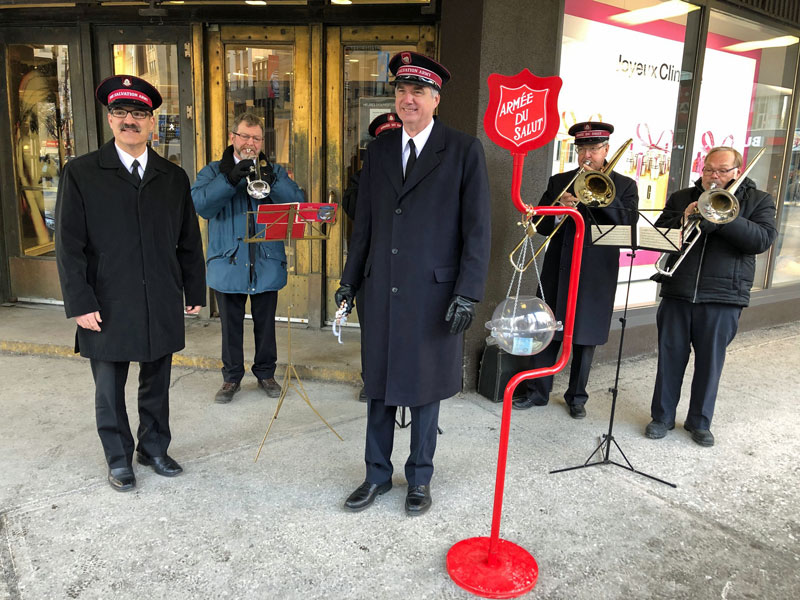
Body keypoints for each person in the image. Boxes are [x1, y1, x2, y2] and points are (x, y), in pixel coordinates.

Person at [335, 52, 491, 516]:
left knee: (424, 390)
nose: (407, 99)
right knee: (379, 387)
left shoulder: (463, 149)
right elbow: (363, 225)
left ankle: (419, 478)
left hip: (434, 293)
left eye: (417, 92)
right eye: (401, 91)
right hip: (380, 290)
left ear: (436, 99)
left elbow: (477, 229)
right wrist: (348, 282)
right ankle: (376, 475)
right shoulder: (379, 150)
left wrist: (469, 290)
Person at [55, 75, 206, 492]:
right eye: (121, 112)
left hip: (158, 295)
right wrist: (79, 302)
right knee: (109, 387)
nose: (129, 121)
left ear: (152, 123)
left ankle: (153, 447)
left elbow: (188, 240)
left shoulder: (171, 177)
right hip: (105, 299)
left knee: (157, 380)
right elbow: (68, 246)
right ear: (109, 119)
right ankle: (119, 457)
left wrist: (194, 290)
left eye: (139, 114)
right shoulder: (82, 173)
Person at [645, 146, 777, 447]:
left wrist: (723, 218)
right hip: (678, 291)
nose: (712, 177)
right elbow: (659, 236)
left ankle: (700, 422)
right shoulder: (682, 198)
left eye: (721, 171)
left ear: (737, 172)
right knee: (670, 358)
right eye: (708, 170)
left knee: (710, 362)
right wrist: (684, 218)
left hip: (723, 296)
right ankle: (662, 417)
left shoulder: (758, 201)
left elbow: (761, 240)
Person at [512, 121, 639, 418]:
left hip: (596, 272)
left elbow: (627, 224)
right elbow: (540, 227)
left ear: (606, 149)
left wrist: (600, 196)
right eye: (582, 148)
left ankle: (576, 397)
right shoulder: (560, 182)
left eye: (594, 148)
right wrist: (559, 207)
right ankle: (537, 391)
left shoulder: (625, 186)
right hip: (559, 267)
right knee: (548, 327)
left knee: (586, 333)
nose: (587, 155)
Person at [192, 112, 305, 404]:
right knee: (231, 326)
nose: (250, 143)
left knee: (266, 325)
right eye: (245, 136)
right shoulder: (214, 171)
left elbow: (298, 204)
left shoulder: (274, 170)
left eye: (256, 138)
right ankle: (231, 379)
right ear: (233, 138)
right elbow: (200, 205)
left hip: (266, 261)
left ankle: (265, 374)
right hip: (228, 262)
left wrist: (272, 181)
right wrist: (230, 180)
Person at [341, 112, 403, 403]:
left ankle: (401, 379)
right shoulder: (360, 175)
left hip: (404, 268)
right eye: (384, 139)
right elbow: (354, 209)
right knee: (373, 331)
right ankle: (371, 379)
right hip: (372, 266)